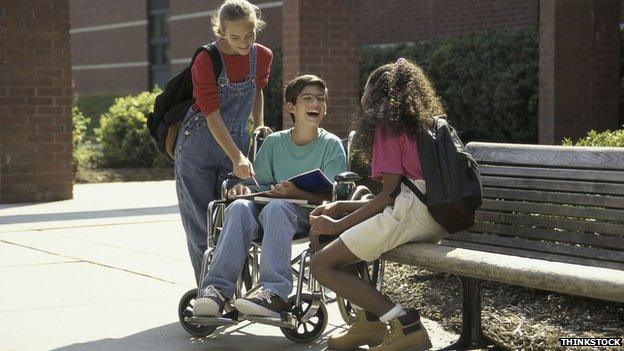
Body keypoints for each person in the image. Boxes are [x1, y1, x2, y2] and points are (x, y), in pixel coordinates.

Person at [308, 59, 447, 351]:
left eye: (365, 87)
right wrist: (341, 207)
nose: (362, 95)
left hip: (411, 214)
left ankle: (405, 324)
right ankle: (369, 321)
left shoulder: (387, 126)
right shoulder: (420, 120)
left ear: (374, 93)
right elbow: (397, 194)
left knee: (321, 264)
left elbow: (389, 195)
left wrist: (339, 222)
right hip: (428, 213)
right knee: (326, 238)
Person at [193, 74, 347, 318]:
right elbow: (258, 185)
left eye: (320, 99)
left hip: (310, 216)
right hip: (267, 213)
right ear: (291, 107)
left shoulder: (331, 145)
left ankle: (274, 293)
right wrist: (242, 189)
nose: (315, 104)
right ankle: (217, 291)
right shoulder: (274, 142)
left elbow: (336, 195)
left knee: (277, 209)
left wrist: (296, 192)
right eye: (307, 98)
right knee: (239, 207)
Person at [175, 0, 273, 283]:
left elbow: (257, 90)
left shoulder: (262, 56)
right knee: (202, 223)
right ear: (221, 31)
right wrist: (238, 157)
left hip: (236, 143)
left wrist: (260, 123)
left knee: (236, 218)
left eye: (249, 35)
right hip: (198, 147)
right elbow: (211, 114)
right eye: (234, 37)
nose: (244, 43)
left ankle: (231, 289)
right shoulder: (206, 59)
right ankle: (208, 292)